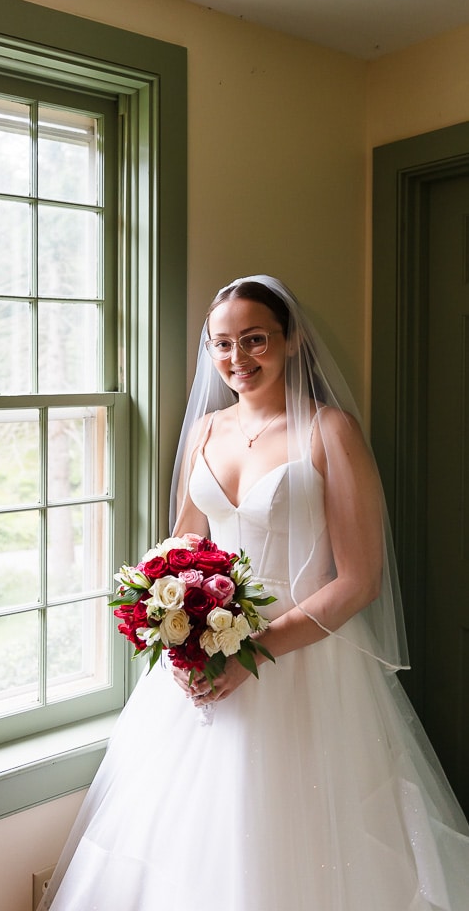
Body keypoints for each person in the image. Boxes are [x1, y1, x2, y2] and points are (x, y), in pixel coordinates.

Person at [40, 274, 469, 911]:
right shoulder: (207, 430)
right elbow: (186, 544)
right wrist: (166, 617)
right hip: (209, 648)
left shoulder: (330, 431)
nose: (237, 358)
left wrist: (254, 652)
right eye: (222, 344)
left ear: (291, 340)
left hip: (305, 654)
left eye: (254, 340)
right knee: (186, 829)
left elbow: (359, 579)